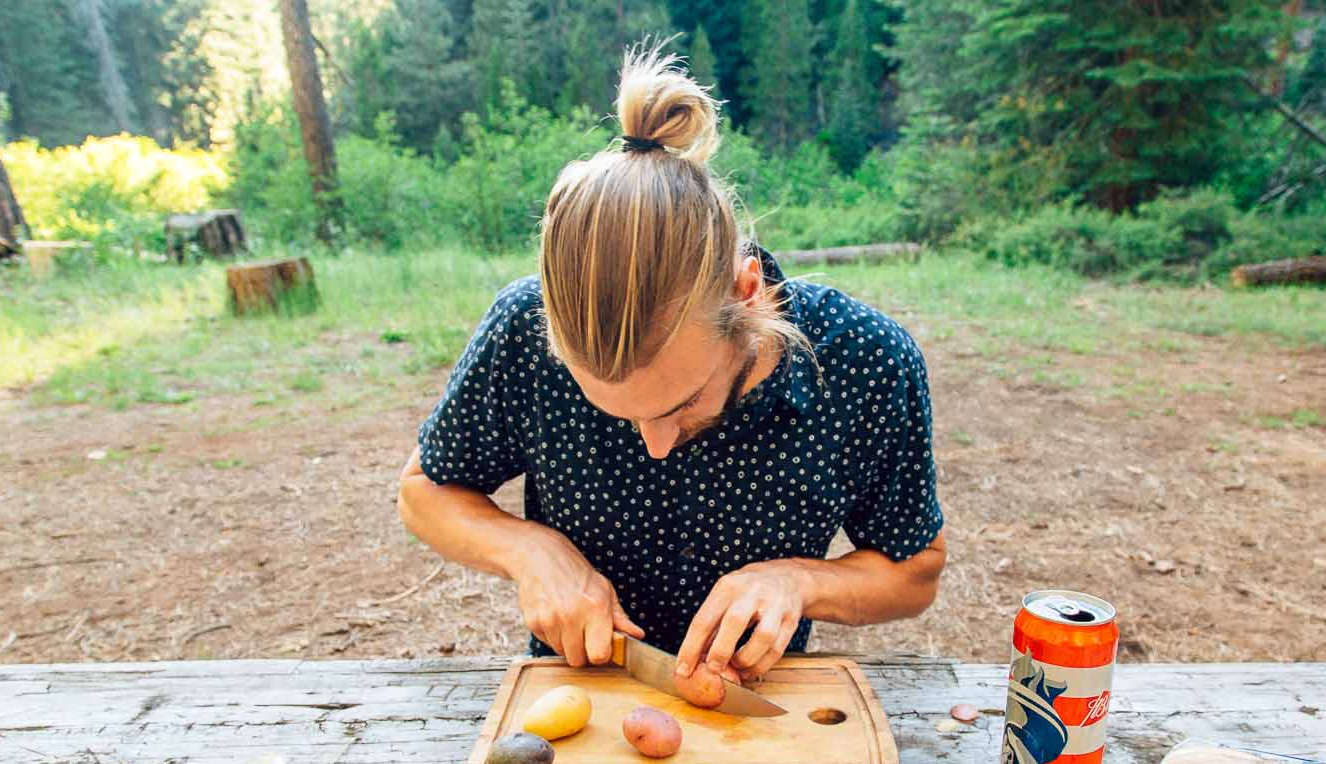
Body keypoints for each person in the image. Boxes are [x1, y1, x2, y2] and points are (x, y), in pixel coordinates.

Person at [399, 44, 945, 697]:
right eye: (613, 411)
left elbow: (914, 571)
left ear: (746, 295)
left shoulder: (865, 360)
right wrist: (529, 552)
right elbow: (425, 492)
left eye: (680, 402)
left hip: (755, 702)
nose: (654, 445)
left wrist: (798, 582)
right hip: (580, 704)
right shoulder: (523, 327)